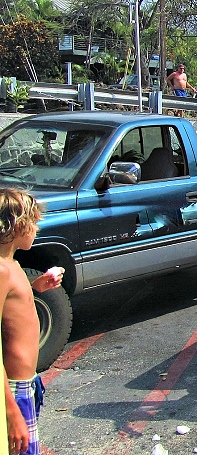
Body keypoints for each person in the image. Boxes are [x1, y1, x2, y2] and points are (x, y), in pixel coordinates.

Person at [0, 188, 65, 455]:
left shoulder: (11, 264)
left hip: (25, 382)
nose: (36, 229)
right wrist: (11, 410)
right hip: (12, 389)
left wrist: (35, 287)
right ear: (17, 226)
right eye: (34, 223)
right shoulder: (2, 270)